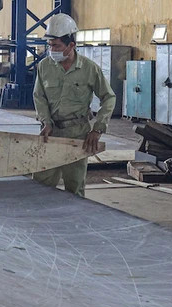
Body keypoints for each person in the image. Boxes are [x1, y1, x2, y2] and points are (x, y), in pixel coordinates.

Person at [32, 13, 116, 197]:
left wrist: (98, 129)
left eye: (56, 46)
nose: (51, 50)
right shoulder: (44, 66)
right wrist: (46, 121)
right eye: (50, 45)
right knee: (40, 184)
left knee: (75, 187)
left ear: (71, 45)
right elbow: (39, 96)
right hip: (50, 134)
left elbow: (109, 97)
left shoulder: (89, 69)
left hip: (78, 135)